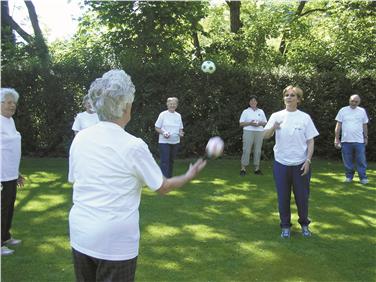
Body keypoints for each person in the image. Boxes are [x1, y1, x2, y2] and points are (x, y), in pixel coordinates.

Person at [68, 70, 206, 282]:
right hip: (115, 242)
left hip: (80, 233)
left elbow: (75, 179)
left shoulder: (80, 139)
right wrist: (189, 175)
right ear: (124, 107)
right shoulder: (133, 146)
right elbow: (162, 186)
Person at [264, 86, 319, 239]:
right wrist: (273, 127)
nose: (289, 97)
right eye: (286, 95)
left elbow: (310, 141)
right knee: (283, 197)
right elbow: (265, 136)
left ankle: (304, 225)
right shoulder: (276, 116)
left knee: (302, 197)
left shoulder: (305, 118)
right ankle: (285, 227)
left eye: (292, 95)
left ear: (298, 99)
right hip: (281, 164)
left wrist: (308, 160)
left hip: (301, 164)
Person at [1, 88, 24, 256]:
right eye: (9, 102)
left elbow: (11, 150)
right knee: (2, 208)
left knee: (9, 206)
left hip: (10, 173)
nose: (12, 106)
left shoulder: (10, 121)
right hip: (1, 174)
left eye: (14, 103)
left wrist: (17, 173)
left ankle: (6, 236)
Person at [334, 94, 369, 184]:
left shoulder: (362, 111)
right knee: (347, 161)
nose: (353, 103)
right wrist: (336, 139)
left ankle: (363, 178)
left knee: (361, 161)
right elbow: (338, 125)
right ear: (349, 100)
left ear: (359, 102)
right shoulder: (343, 110)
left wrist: (366, 137)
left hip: (359, 141)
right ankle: (349, 177)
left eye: (356, 101)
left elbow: (364, 125)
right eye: (352, 101)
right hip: (345, 141)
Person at [155, 97, 184, 178]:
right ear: (167, 104)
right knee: (165, 161)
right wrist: (164, 132)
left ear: (176, 105)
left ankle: (169, 178)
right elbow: (157, 127)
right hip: (164, 142)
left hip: (175, 142)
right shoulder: (163, 114)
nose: (172, 105)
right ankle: (163, 179)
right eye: (170, 104)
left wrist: (181, 133)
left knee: (171, 161)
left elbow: (180, 129)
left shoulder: (178, 115)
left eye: (174, 104)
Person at [239, 95, 267, 176]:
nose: (253, 102)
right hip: (248, 131)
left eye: (254, 100)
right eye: (251, 100)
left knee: (258, 151)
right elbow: (241, 123)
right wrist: (250, 123)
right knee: (246, 150)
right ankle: (243, 169)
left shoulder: (261, 111)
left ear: (257, 102)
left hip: (259, 132)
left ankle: (257, 169)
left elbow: (265, 122)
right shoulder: (245, 111)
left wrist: (259, 123)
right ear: (249, 102)